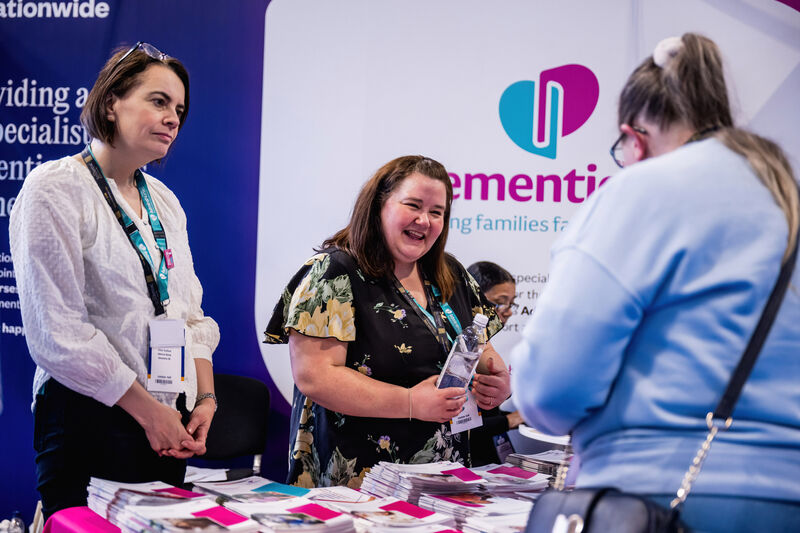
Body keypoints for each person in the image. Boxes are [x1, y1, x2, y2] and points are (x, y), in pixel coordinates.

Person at [511, 33, 800, 532]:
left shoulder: (640, 190)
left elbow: (550, 391)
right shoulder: (783, 197)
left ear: (634, 137)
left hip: (660, 498)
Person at [9, 42, 220, 519]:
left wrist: (203, 399)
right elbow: (57, 335)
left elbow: (189, 314)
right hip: (88, 417)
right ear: (111, 103)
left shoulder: (164, 201)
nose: (173, 118)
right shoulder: (54, 188)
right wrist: (151, 414)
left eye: (179, 109)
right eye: (158, 101)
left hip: (168, 419)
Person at [264, 155, 511, 488]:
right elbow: (315, 377)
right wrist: (410, 403)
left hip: (442, 480)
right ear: (379, 205)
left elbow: (480, 348)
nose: (424, 220)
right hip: (358, 482)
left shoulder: (450, 272)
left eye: (437, 212)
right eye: (413, 206)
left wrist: (496, 382)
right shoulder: (334, 272)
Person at [466, 261, 523, 466]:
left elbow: (486, 413)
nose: (507, 311)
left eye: (511, 303)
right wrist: (511, 420)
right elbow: (462, 426)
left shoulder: (487, 349)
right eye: (500, 302)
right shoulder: (462, 350)